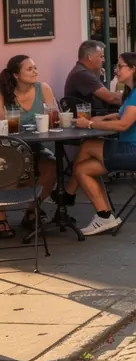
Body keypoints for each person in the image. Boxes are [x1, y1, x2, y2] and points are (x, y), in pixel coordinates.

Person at [67, 52, 136, 237]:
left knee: (88, 144)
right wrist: (104, 118)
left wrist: (90, 124)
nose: (116, 70)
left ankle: (67, 195)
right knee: (82, 169)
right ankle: (104, 215)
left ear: (133, 69)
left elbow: (123, 124)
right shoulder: (135, 91)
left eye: (120, 66)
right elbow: (124, 114)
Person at [0, 55, 58, 237]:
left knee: (51, 165)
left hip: (35, 144)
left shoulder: (43, 88)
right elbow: (1, 125)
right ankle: (1, 216)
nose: (35, 72)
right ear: (16, 75)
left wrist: (50, 118)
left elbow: (54, 115)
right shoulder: (4, 93)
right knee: (10, 166)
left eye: (35, 68)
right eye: (30, 69)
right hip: (9, 145)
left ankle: (33, 211)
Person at [64, 41, 122, 115]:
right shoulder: (82, 74)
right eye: (101, 56)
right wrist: (132, 97)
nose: (103, 60)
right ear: (90, 57)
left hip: (92, 115)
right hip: (87, 118)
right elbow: (111, 98)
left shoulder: (81, 71)